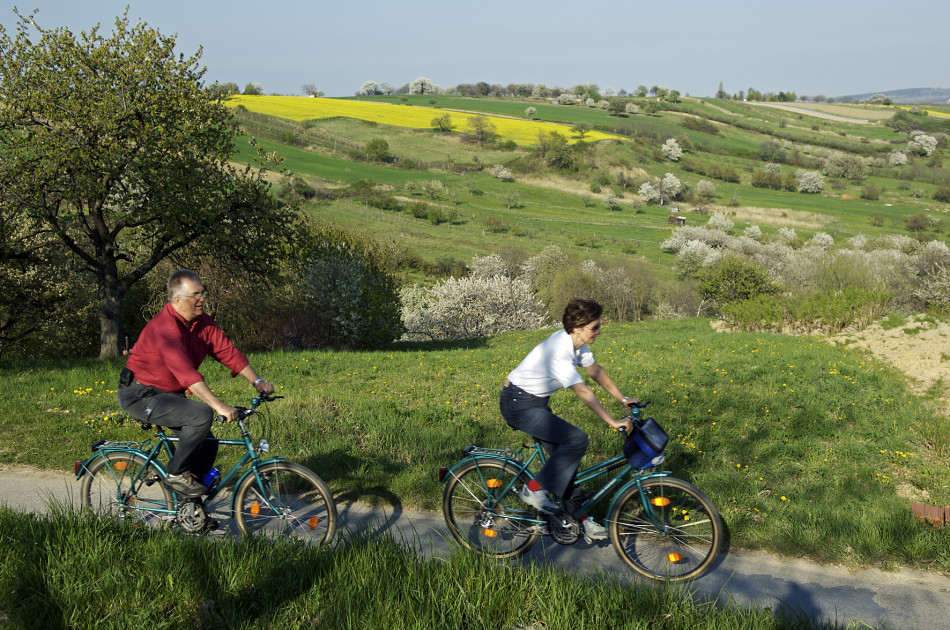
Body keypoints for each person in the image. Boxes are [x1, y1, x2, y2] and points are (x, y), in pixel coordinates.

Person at [118, 269, 275, 498]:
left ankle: (190, 504)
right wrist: (218, 406)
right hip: (140, 393)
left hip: (168, 394)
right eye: (196, 295)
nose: (202, 299)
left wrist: (257, 381)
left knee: (208, 443)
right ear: (178, 300)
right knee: (201, 414)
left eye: (203, 293)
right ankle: (175, 474)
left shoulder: (202, 322)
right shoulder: (164, 329)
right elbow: (186, 374)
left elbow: (227, 352)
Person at [499, 297, 633, 540]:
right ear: (578, 327)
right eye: (595, 327)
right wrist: (612, 421)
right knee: (576, 440)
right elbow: (582, 391)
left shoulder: (577, 346)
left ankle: (578, 517)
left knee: (564, 462)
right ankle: (534, 489)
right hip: (518, 404)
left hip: (535, 403)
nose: (599, 332)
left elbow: (596, 372)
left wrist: (623, 399)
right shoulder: (558, 352)